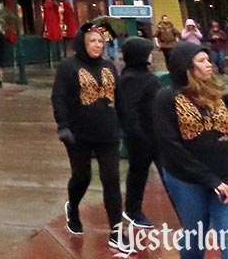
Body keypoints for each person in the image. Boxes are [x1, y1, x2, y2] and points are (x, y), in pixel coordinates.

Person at [153, 42, 228, 259]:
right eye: (202, 61)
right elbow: (170, 146)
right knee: (194, 240)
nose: (210, 65)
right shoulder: (166, 98)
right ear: (186, 67)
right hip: (187, 180)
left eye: (208, 59)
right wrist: (211, 181)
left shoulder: (222, 94)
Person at [51, 22, 126, 251]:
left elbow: (119, 97)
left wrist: (125, 124)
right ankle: (72, 207)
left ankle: (116, 231)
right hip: (79, 134)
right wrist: (63, 126)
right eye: (92, 41)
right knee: (82, 177)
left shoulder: (109, 66)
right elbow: (59, 97)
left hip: (107, 132)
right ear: (83, 42)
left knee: (111, 179)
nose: (97, 45)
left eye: (100, 42)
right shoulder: (68, 66)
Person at [116, 36, 159, 229]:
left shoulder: (144, 74)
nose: (152, 55)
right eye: (148, 51)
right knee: (138, 172)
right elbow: (128, 109)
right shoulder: (131, 78)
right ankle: (133, 210)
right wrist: (137, 135)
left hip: (155, 133)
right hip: (141, 137)